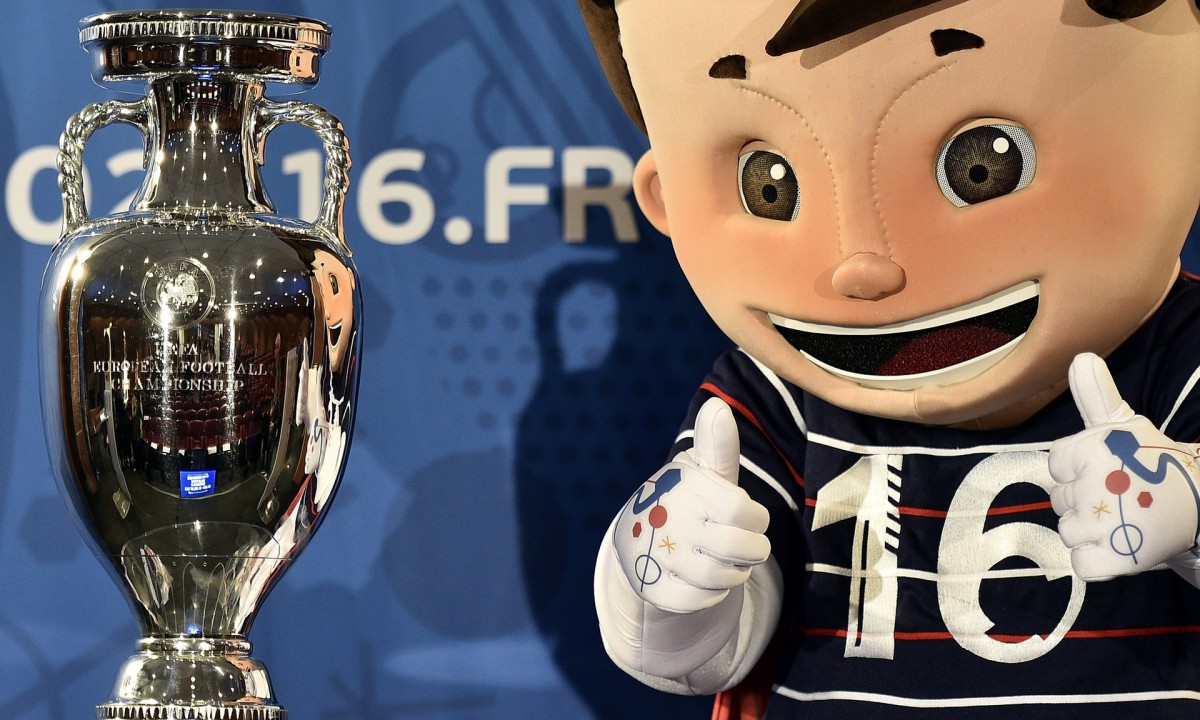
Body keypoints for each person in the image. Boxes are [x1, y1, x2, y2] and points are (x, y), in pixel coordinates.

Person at [577, 0, 1200, 717]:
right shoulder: (776, 396)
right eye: (769, 187)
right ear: (666, 198)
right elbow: (709, 656)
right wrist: (666, 584)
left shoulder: (1178, 355)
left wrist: (1189, 505)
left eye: (981, 165)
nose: (862, 265)